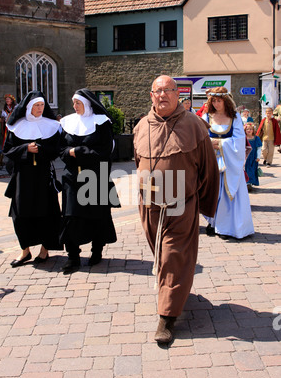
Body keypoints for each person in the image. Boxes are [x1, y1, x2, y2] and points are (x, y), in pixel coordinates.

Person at [133, 75, 219, 344]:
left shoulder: (194, 125)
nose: (162, 96)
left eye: (168, 90)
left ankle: (166, 318)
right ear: (151, 95)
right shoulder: (140, 126)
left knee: (172, 256)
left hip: (181, 205)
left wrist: (206, 206)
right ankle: (175, 290)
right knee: (161, 255)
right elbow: (137, 162)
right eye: (157, 91)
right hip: (150, 205)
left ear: (177, 94)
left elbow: (208, 168)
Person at [59, 88, 119, 274]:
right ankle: (73, 257)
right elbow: (60, 148)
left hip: (96, 176)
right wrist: (69, 152)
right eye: (74, 103)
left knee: (97, 216)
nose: (75, 106)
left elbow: (105, 150)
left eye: (78, 103)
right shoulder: (68, 122)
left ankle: (96, 251)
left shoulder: (101, 123)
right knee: (70, 217)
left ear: (87, 104)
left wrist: (77, 152)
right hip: (72, 178)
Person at [3, 91, 62, 267]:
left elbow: (56, 150)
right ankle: (25, 251)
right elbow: (7, 151)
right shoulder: (16, 126)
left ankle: (45, 250)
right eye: (36, 105)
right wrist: (25, 149)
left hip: (43, 176)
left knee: (47, 213)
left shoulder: (51, 126)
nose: (39, 108)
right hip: (23, 177)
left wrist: (41, 149)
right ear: (28, 107)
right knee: (20, 215)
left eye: (42, 105)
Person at [202, 87, 254, 240]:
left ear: (226, 101)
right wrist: (210, 142)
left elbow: (239, 140)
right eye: (214, 101)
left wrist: (220, 143)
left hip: (229, 163)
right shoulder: (207, 117)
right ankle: (213, 223)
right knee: (213, 193)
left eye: (219, 101)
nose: (217, 104)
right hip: (212, 161)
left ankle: (228, 228)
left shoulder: (235, 117)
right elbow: (202, 136)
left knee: (228, 195)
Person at [244, 123, 262, 189]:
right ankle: (247, 183)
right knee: (246, 169)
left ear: (253, 130)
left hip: (253, 157)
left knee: (252, 169)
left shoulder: (256, 138)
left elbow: (259, 148)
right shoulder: (243, 138)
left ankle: (250, 183)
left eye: (251, 129)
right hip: (245, 157)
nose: (249, 130)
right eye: (247, 129)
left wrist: (258, 157)